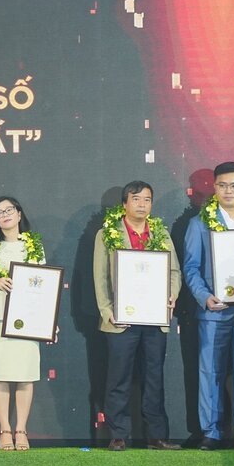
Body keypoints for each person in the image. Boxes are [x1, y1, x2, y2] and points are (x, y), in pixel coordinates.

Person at [182, 162, 234, 450]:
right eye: (222, 185)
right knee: (210, 372)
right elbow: (191, 268)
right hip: (213, 310)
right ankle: (211, 431)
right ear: (214, 187)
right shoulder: (199, 223)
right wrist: (204, 296)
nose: (228, 191)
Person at [92, 181, 183, 451]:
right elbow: (100, 276)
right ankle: (118, 434)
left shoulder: (161, 233)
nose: (142, 205)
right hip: (121, 319)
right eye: (136, 199)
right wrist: (107, 311)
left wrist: (172, 295)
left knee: (154, 377)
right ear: (125, 204)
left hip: (154, 318)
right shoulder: (107, 234)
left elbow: (174, 271)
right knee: (118, 377)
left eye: (147, 200)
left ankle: (156, 435)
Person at [0, 196, 45, 451]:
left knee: (26, 375)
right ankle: (5, 429)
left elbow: (44, 284)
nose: (4, 215)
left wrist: (47, 319)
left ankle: (21, 429)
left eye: (9, 210)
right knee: (0, 374)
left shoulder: (34, 245)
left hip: (28, 317)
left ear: (19, 214)